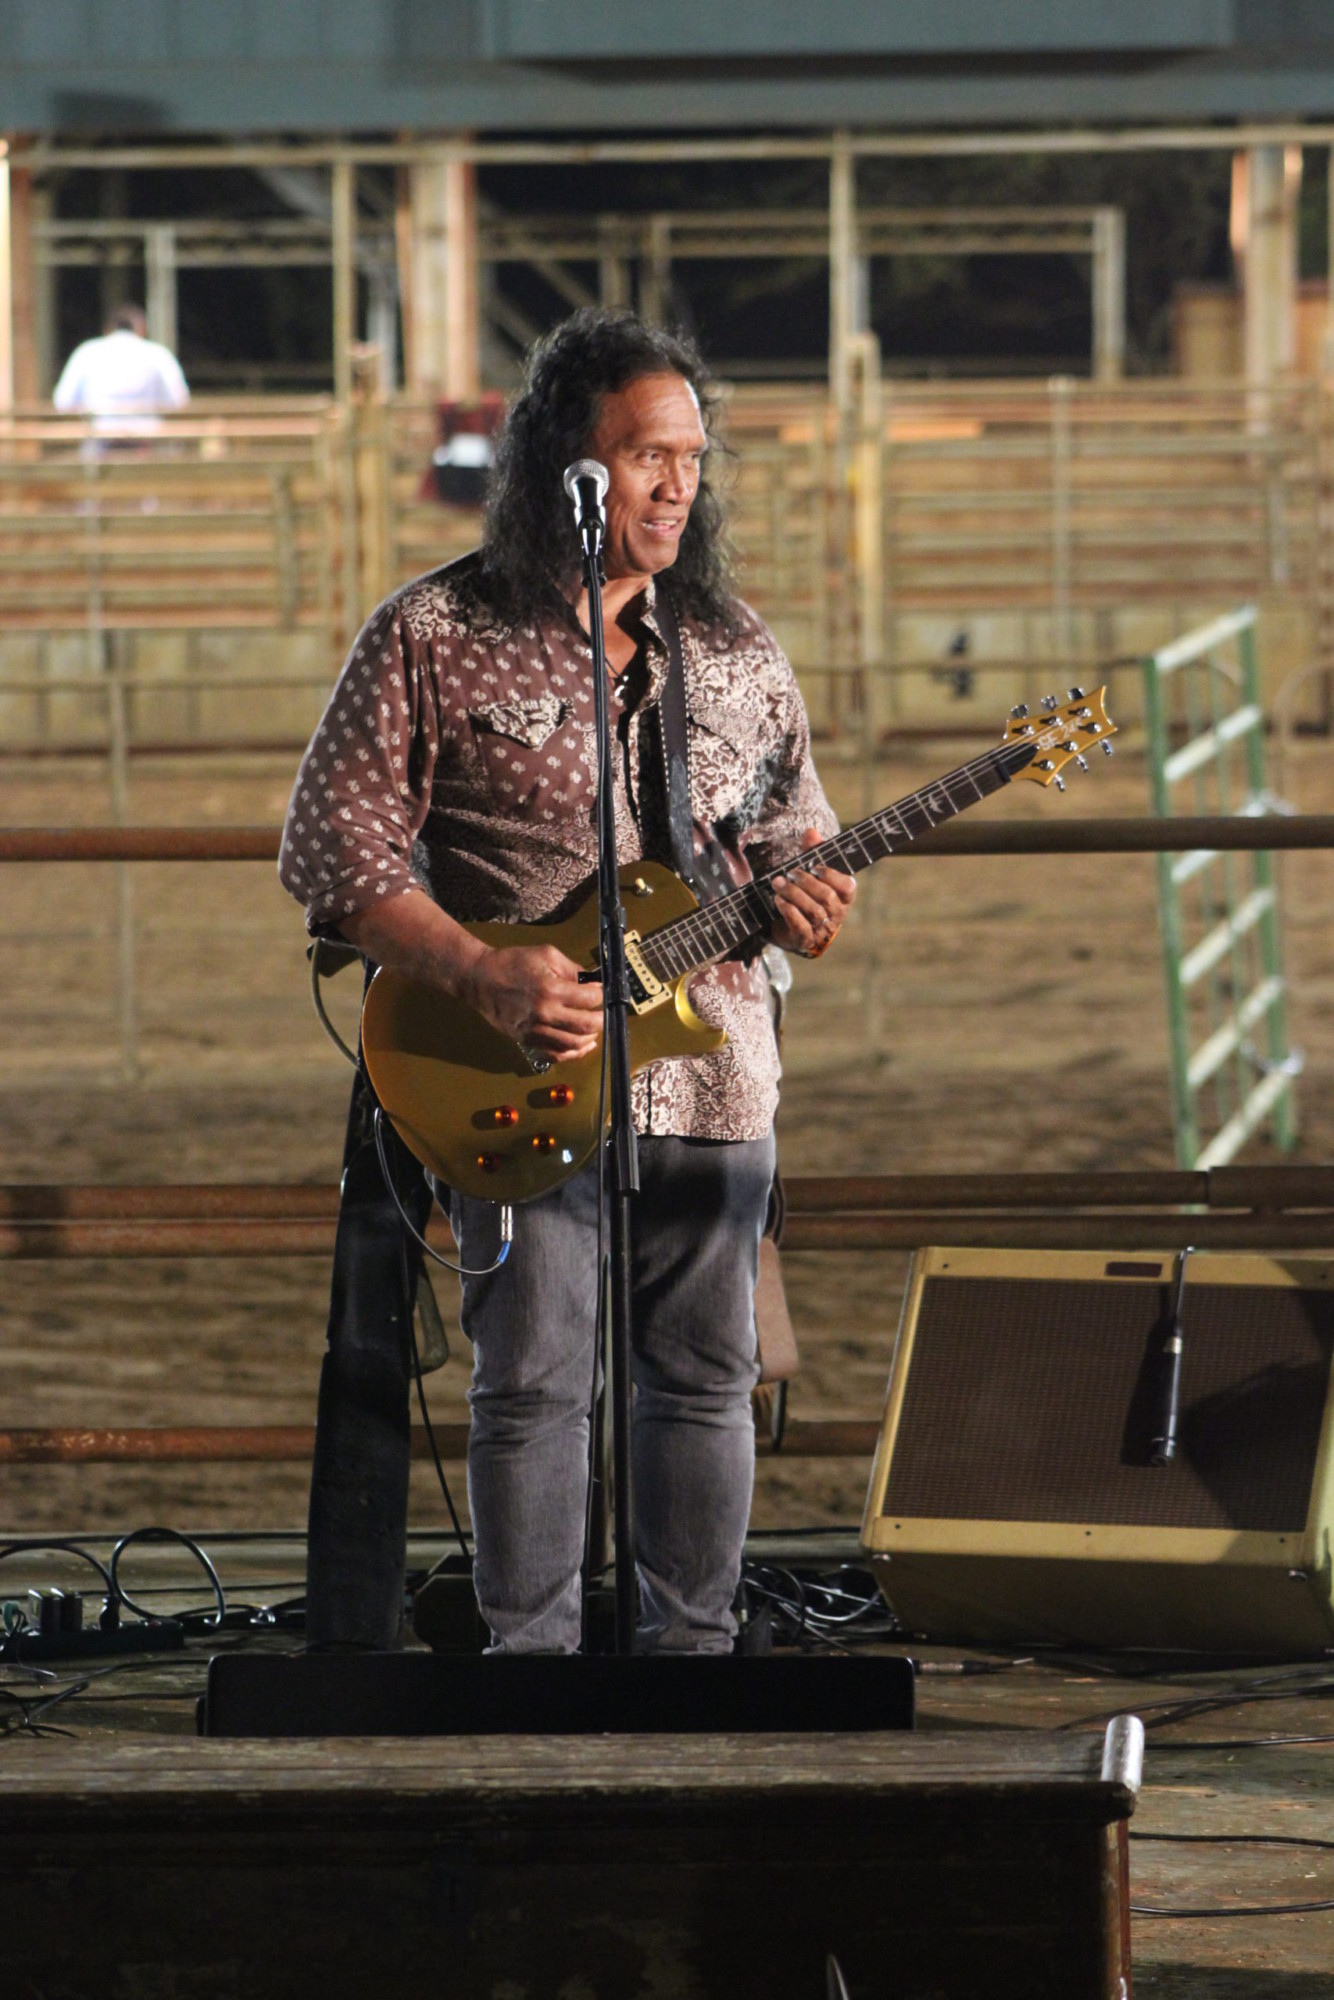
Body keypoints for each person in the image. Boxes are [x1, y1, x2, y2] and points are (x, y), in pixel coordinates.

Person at [278, 309, 854, 1655]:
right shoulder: (433, 630)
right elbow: (332, 853)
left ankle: (689, 1650)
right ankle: (526, 1662)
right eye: (646, 456)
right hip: (518, 1073)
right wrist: (478, 971)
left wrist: (811, 890)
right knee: (531, 1382)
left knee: (704, 1377)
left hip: (711, 1074)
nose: (675, 486)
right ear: (564, 465)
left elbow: (792, 827)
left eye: (691, 459)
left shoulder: (732, 642)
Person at [53, 303, 189, 430]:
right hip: (147, 436)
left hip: (100, 434)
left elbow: (62, 402)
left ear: (107, 329)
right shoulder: (158, 353)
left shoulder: (87, 351)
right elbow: (179, 400)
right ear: (142, 329)